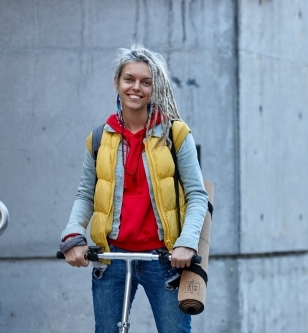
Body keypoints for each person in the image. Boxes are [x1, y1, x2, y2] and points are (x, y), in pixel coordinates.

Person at [59, 44, 209, 333]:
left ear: (156, 87)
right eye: (129, 79)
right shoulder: (100, 138)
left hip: (164, 261)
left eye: (146, 81)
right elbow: (84, 195)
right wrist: (72, 234)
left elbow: (196, 195)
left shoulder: (175, 135)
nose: (136, 87)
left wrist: (186, 243)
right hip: (111, 258)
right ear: (117, 82)